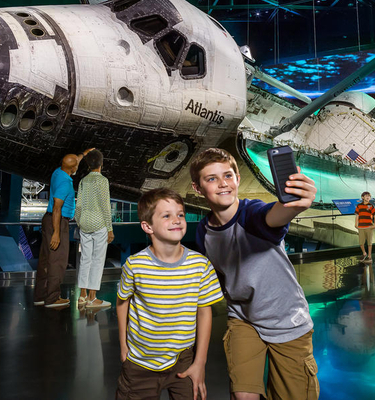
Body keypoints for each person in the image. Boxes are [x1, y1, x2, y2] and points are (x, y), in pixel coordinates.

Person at [192, 147, 320, 400]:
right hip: (243, 318)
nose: (223, 184)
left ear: (238, 179)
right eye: (212, 178)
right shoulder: (203, 232)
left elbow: (272, 217)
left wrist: (294, 204)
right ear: (198, 188)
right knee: (243, 395)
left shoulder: (251, 214)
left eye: (228, 176)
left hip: (286, 320)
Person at [116, 188, 223, 400]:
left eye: (180, 214)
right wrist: (123, 346)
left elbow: (204, 312)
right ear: (148, 226)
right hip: (140, 362)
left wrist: (200, 362)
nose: (177, 220)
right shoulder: (135, 265)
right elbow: (122, 302)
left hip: (183, 360)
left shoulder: (200, 265)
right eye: (166, 215)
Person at [34, 150, 89, 309]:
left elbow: (73, 161)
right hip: (57, 221)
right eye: (76, 165)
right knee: (57, 261)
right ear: (73, 169)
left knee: (45, 260)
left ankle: (40, 296)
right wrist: (56, 233)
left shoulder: (57, 172)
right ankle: (52, 298)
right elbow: (57, 208)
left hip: (48, 219)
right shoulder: (65, 183)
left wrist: (84, 154)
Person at [74, 149, 114, 309]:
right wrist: (109, 229)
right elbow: (105, 206)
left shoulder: (83, 181)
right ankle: (92, 298)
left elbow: (79, 205)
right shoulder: (103, 181)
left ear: (88, 164)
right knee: (97, 260)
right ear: (101, 164)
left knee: (85, 259)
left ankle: (82, 296)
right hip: (99, 224)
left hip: (84, 223)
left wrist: (79, 221)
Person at [355, 191, 375, 263]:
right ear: (362, 197)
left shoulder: (371, 206)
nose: (368, 197)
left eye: (369, 196)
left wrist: (374, 224)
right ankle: (364, 253)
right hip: (361, 227)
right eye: (366, 196)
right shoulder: (359, 206)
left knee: (369, 242)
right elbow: (357, 215)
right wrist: (356, 224)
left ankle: (369, 256)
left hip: (369, 226)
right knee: (361, 243)